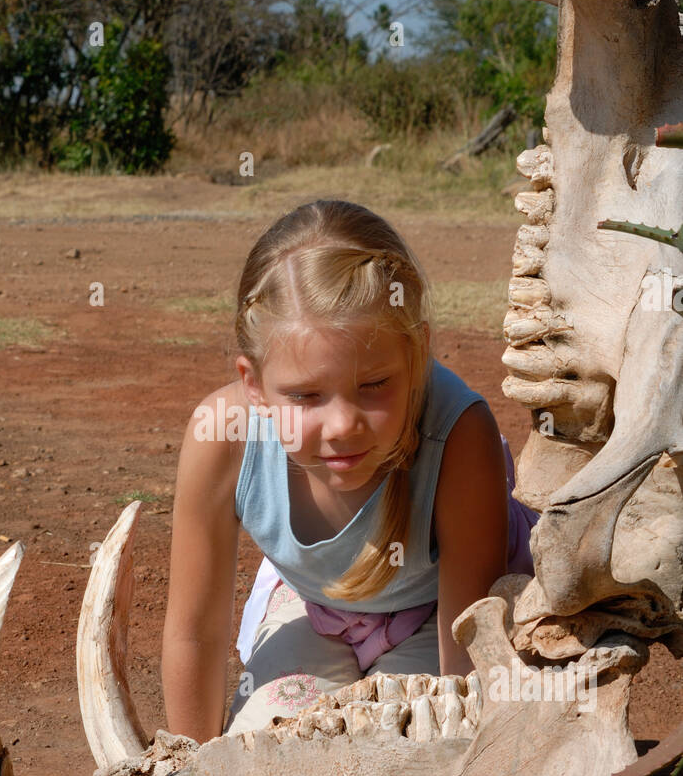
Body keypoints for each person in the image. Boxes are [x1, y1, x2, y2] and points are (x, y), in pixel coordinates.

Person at [161, 199, 538, 744]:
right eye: (305, 395)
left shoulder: (459, 437)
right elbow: (195, 633)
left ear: (418, 357)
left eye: (373, 386)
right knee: (267, 755)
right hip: (310, 607)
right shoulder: (220, 438)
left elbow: (464, 661)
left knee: (397, 755)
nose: (341, 425)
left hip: (435, 615)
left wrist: (450, 758)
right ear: (253, 383)